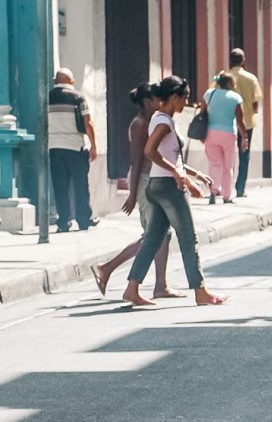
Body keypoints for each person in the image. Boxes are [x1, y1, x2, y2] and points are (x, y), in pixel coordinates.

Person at [121, 75, 229, 308]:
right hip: (168, 187)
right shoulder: (164, 122)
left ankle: (132, 288)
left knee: (152, 238)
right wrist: (180, 176)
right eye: (184, 97)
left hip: (157, 186)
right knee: (188, 238)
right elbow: (150, 151)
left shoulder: (160, 118)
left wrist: (194, 175)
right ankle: (200, 291)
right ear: (172, 97)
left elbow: (170, 156)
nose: (186, 102)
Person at [92, 84, 176, 299]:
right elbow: (137, 159)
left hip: (152, 179)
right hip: (145, 181)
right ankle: (107, 268)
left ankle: (160, 286)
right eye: (158, 99)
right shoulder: (139, 124)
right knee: (153, 236)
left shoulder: (152, 121)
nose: (161, 103)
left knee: (162, 234)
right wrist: (132, 194)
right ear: (147, 101)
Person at [47, 69, 98, 232]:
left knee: (60, 185)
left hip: (54, 147)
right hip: (75, 146)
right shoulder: (78, 97)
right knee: (80, 185)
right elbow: (87, 122)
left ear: (55, 81)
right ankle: (84, 220)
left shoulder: (47, 97)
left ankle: (63, 221)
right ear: (72, 81)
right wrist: (94, 146)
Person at [201, 72, 248, 205]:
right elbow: (240, 120)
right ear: (229, 83)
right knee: (228, 165)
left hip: (210, 133)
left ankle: (213, 191)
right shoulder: (235, 98)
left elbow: (202, 114)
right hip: (228, 134)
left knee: (214, 164)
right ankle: (227, 196)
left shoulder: (209, 94)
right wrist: (245, 137)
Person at [226, 49, 262, 199]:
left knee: (226, 154)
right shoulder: (251, 78)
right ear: (243, 60)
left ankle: (225, 186)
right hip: (246, 123)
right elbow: (256, 101)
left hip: (227, 121)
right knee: (244, 154)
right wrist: (251, 113)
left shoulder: (224, 76)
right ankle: (240, 188)